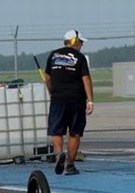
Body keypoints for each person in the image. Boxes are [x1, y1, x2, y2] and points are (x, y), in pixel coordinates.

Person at [44, 29, 94, 175]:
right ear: (75, 41)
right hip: (76, 99)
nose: (82, 45)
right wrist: (90, 100)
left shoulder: (53, 55)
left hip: (58, 98)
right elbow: (86, 79)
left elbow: (47, 78)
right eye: (81, 42)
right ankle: (70, 165)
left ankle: (59, 154)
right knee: (75, 132)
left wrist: (53, 92)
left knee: (56, 130)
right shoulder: (80, 57)